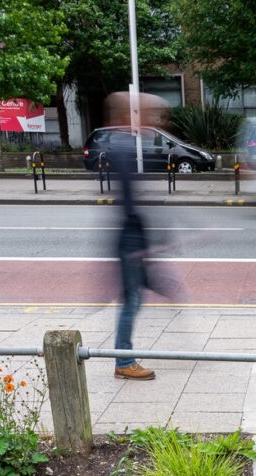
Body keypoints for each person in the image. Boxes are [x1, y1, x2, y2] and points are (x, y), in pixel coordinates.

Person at [104, 92, 164, 381]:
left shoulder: (125, 145)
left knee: (135, 298)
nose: (151, 119)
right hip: (130, 240)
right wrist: (141, 245)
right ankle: (124, 360)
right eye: (145, 112)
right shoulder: (123, 147)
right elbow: (129, 203)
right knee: (131, 300)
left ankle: (123, 357)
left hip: (132, 238)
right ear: (129, 115)